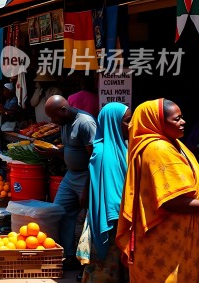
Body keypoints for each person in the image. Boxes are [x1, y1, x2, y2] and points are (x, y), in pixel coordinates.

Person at [115, 99, 199, 282]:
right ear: (157, 122)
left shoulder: (173, 144)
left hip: (176, 236)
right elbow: (170, 200)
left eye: (182, 117)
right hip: (168, 240)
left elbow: (175, 183)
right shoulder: (158, 149)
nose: (183, 122)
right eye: (176, 119)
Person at [76, 103, 131, 283]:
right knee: (106, 269)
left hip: (121, 216)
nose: (131, 125)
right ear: (113, 123)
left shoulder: (122, 146)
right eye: (127, 121)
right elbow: (109, 192)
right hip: (112, 220)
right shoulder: (102, 153)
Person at [43, 95, 97, 271]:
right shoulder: (64, 123)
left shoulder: (85, 123)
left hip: (85, 177)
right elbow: (70, 149)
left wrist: (87, 188)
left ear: (64, 110)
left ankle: (88, 262)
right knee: (59, 212)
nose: (52, 120)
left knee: (89, 219)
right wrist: (51, 153)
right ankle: (67, 255)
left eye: (53, 116)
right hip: (70, 176)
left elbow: (95, 158)